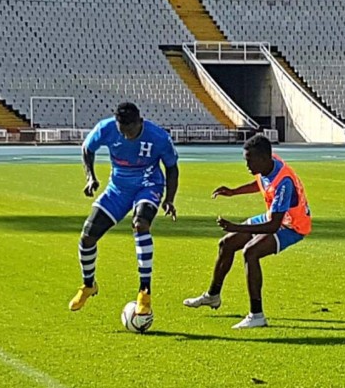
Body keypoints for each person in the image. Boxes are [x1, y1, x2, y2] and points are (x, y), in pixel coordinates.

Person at [183, 135, 311, 329]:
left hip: (292, 226)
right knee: (227, 243)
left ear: (263, 158)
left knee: (251, 252)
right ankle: (212, 296)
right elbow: (261, 183)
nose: (246, 164)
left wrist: (237, 227)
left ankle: (257, 315)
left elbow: (273, 226)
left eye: (249, 160)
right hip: (275, 216)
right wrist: (234, 191)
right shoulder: (270, 164)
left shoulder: (283, 181)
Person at [69, 102, 179, 316]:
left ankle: (144, 292)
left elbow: (172, 168)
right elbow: (87, 148)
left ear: (139, 121)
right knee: (87, 237)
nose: (126, 136)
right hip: (118, 189)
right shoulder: (106, 128)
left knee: (140, 224)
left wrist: (170, 199)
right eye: (122, 131)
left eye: (130, 131)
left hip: (148, 185)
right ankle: (88, 285)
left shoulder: (158, 137)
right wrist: (90, 176)